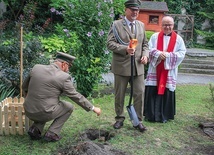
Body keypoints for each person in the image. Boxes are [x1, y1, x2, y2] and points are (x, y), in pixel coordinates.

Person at [22, 52, 101, 142]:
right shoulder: (63, 77)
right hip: (44, 112)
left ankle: (35, 130)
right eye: (69, 66)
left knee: (44, 105)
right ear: (64, 64)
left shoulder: (37, 68)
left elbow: (24, 87)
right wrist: (93, 108)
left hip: (28, 109)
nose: (68, 70)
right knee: (68, 107)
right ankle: (52, 133)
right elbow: (75, 96)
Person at [107, 0, 149, 132]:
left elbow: (145, 45)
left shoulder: (141, 25)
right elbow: (109, 43)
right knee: (119, 95)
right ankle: (119, 119)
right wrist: (125, 48)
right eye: (132, 9)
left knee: (139, 93)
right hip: (121, 67)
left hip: (138, 66)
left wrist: (145, 55)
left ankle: (138, 121)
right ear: (126, 10)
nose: (135, 12)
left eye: (137, 10)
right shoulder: (116, 24)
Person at [144, 16, 186, 123]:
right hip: (155, 69)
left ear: (173, 25)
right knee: (153, 89)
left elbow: (182, 53)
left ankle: (164, 116)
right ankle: (151, 115)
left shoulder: (178, 39)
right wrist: (158, 54)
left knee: (166, 90)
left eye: (169, 25)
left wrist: (167, 55)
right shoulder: (155, 36)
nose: (167, 27)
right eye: (165, 24)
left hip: (169, 71)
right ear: (161, 25)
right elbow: (148, 49)